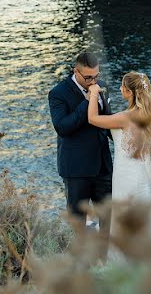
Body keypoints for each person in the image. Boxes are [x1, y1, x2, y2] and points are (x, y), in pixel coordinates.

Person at [87, 71, 151, 262]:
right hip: (145, 173)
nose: (120, 89)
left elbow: (92, 119)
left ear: (130, 92)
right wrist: (144, 150)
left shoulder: (124, 117)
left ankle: (125, 265)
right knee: (146, 217)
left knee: (124, 218)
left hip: (126, 176)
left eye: (123, 87)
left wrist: (93, 92)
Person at [48, 51, 113, 230]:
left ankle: (107, 257)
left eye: (96, 76)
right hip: (76, 170)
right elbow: (62, 127)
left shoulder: (102, 86)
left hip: (103, 167)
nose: (93, 82)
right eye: (88, 77)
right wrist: (88, 101)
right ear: (76, 71)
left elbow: (107, 121)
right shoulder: (58, 93)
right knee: (78, 224)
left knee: (109, 220)